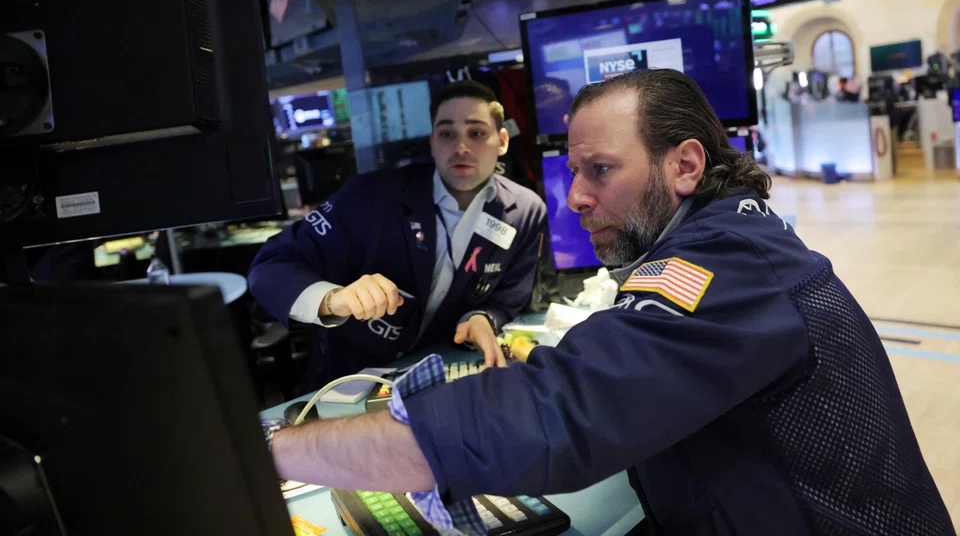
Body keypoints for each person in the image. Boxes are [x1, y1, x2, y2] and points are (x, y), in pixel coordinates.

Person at [263, 70, 954, 535]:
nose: (575, 198)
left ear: (684, 166)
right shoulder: (728, 236)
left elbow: (561, 413)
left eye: (601, 171)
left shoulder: (729, 268)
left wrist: (263, 454)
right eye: (573, 170)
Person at [248, 81, 547, 390]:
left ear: (501, 142)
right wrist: (332, 299)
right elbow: (270, 266)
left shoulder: (525, 211)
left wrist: (482, 317)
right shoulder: (370, 196)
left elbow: (509, 296)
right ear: (432, 142)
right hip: (347, 382)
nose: (461, 147)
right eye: (447, 134)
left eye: (476, 133)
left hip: (438, 378)